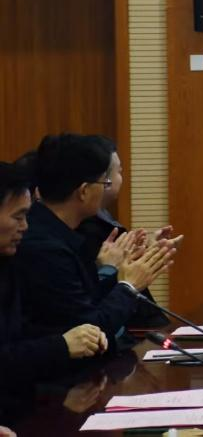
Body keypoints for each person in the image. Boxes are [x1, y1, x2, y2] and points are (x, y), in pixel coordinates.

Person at [14, 134, 175, 344]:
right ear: (84, 191)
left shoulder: (57, 231)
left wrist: (122, 273)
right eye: (104, 182)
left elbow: (86, 301)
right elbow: (91, 329)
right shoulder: (45, 248)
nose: (107, 188)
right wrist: (129, 285)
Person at [1, 162, 108, 428]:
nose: (25, 227)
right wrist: (61, 345)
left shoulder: (7, 264)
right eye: (18, 217)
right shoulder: (39, 251)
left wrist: (80, 338)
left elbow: (20, 337)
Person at [75, 137, 179, 327]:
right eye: (119, 171)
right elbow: (101, 298)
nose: (120, 178)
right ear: (104, 180)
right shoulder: (86, 227)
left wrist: (145, 255)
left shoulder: (100, 217)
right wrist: (118, 271)